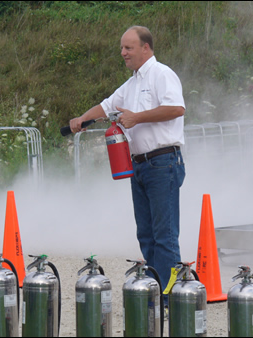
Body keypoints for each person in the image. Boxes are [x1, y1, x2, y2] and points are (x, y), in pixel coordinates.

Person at [69, 26, 186, 307]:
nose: (123, 53)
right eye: (122, 48)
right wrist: (82, 119)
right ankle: (154, 291)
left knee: (164, 235)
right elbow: (108, 104)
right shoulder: (132, 83)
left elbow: (177, 108)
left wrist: (138, 118)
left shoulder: (162, 74)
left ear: (146, 48)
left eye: (128, 48)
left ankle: (169, 299)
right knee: (146, 233)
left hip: (163, 162)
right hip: (140, 166)